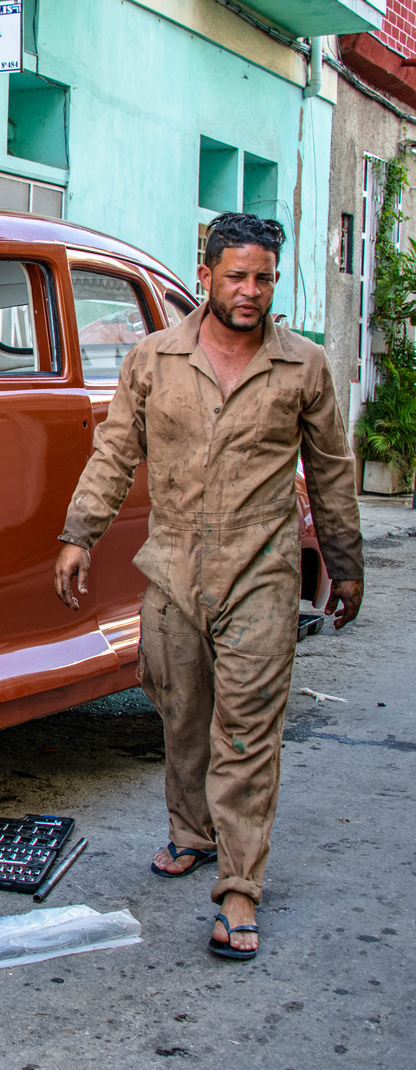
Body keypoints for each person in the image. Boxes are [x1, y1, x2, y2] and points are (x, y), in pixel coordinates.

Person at [53, 212, 364, 961]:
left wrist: (347, 563)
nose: (250, 291)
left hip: (261, 572)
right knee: (181, 708)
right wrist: (78, 534)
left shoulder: (304, 367)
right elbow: (115, 452)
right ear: (207, 277)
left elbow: (330, 470)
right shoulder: (155, 358)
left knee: (248, 730)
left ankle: (238, 887)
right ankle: (192, 831)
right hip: (173, 570)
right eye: (236, 277)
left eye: (262, 277)